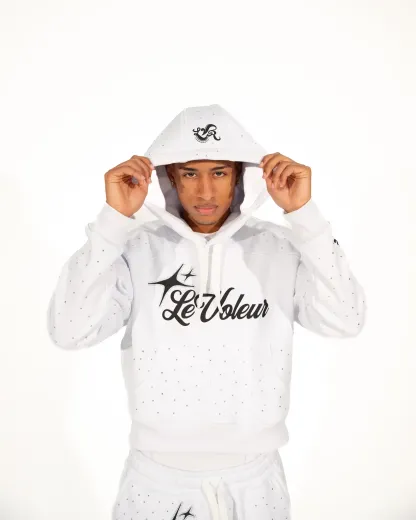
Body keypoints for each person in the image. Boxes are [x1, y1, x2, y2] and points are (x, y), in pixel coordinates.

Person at [47, 103, 367, 519]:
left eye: (218, 173)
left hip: (256, 483)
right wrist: (113, 222)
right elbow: (69, 330)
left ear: (239, 175)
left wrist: (306, 218)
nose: (204, 192)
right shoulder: (136, 249)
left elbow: (346, 319)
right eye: (189, 173)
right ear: (169, 177)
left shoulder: (280, 248)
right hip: (156, 483)